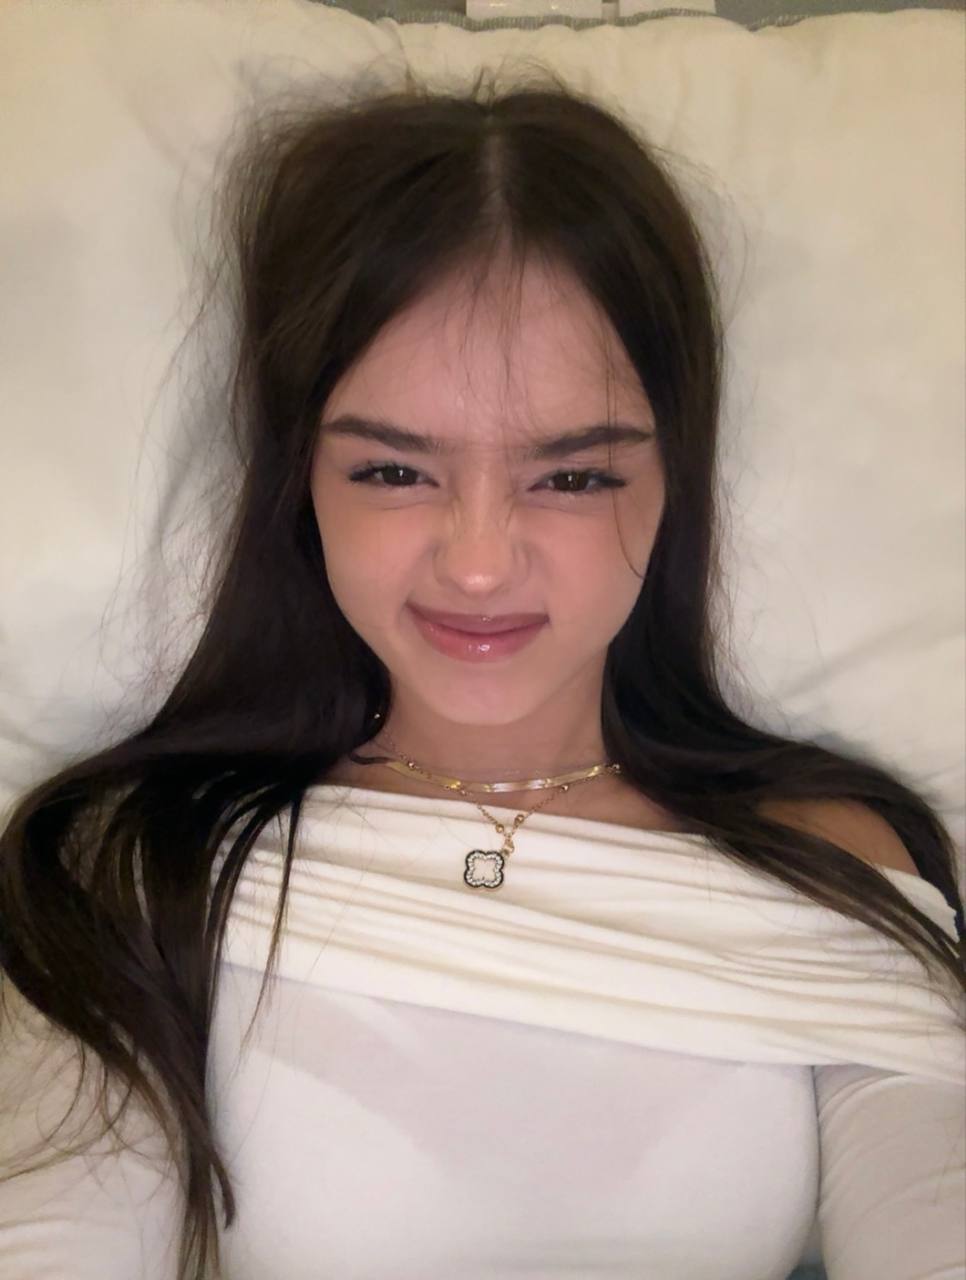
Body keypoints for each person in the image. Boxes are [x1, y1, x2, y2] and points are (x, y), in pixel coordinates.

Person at [0, 69, 963, 1280]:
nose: (478, 561)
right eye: (394, 472)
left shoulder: (830, 858)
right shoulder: (144, 865)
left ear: (674, 480)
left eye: (573, 476)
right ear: (302, 480)